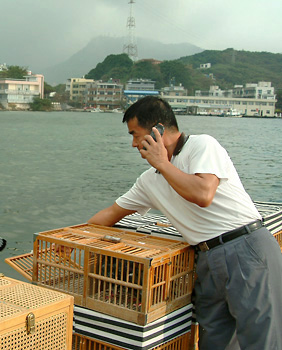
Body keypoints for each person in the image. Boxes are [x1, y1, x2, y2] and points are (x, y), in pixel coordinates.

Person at [88, 96, 282, 350]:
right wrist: (71, 238)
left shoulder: (202, 146)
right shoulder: (149, 180)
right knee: (215, 340)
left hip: (245, 247)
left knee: (262, 339)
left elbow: (203, 194)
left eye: (135, 134)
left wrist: (161, 163)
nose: (133, 143)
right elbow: (111, 213)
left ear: (157, 130)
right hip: (206, 258)